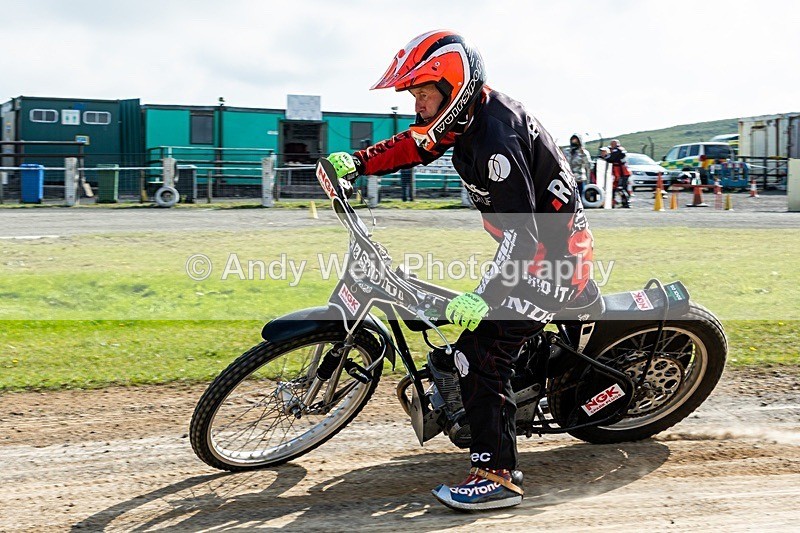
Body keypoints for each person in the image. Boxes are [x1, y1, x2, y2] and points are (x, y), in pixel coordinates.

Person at [324, 30, 595, 511]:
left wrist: (486, 293)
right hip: (527, 247)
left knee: (480, 347)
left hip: (552, 259)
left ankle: (498, 474)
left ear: (453, 86)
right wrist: (357, 163)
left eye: (423, 91)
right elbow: (415, 145)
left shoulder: (494, 136)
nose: (417, 103)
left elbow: (523, 233)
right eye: (413, 93)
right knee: (464, 327)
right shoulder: (464, 117)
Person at [603, 139, 631, 208]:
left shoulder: (618, 150)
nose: (611, 146)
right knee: (616, 188)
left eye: (612, 144)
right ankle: (615, 202)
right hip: (620, 173)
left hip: (621, 173)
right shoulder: (619, 150)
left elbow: (611, 159)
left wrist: (605, 157)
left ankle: (626, 203)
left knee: (621, 188)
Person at [565, 134, 592, 199]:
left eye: (576, 141)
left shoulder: (584, 153)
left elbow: (589, 165)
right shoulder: (567, 151)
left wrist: (583, 155)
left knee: (579, 198)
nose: (574, 143)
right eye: (573, 141)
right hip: (568, 178)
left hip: (579, 179)